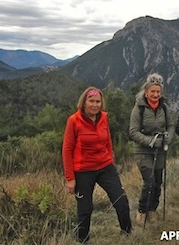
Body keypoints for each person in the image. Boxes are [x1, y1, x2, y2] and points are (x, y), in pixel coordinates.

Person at [62, 87, 132, 243]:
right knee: (85, 209)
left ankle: (127, 234)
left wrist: (110, 159)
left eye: (98, 102)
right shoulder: (74, 120)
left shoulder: (104, 118)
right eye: (91, 101)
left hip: (105, 166)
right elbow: (67, 150)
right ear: (84, 102)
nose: (95, 105)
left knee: (121, 200)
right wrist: (70, 178)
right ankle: (83, 239)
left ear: (102, 103)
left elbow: (107, 140)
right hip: (83, 170)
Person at [129, 73, 174, 225]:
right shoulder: (139, 108)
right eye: (152, 91)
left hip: (160, 149)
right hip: (142, 150)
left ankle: (152, 210)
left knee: (158, 181)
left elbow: (170, 125)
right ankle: (142, 210)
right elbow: (133, 131)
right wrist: (149, 141)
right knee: (149, 181)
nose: (155, 94)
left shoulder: (165, 108)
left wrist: (169, 137)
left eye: (158, 92)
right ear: (146, 92)